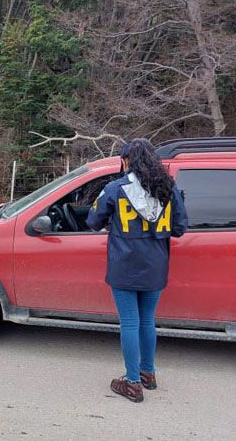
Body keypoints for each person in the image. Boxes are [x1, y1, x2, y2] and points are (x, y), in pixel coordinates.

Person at [86, 138, 188, 402]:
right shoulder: (169, 189)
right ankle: (148, 374)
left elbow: (93, 221)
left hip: (125, 266)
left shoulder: (114, 188)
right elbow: (179, 228)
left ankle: (132, 383)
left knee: (130, 322)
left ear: (126, 161)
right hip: (156, 265)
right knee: (147, 320)